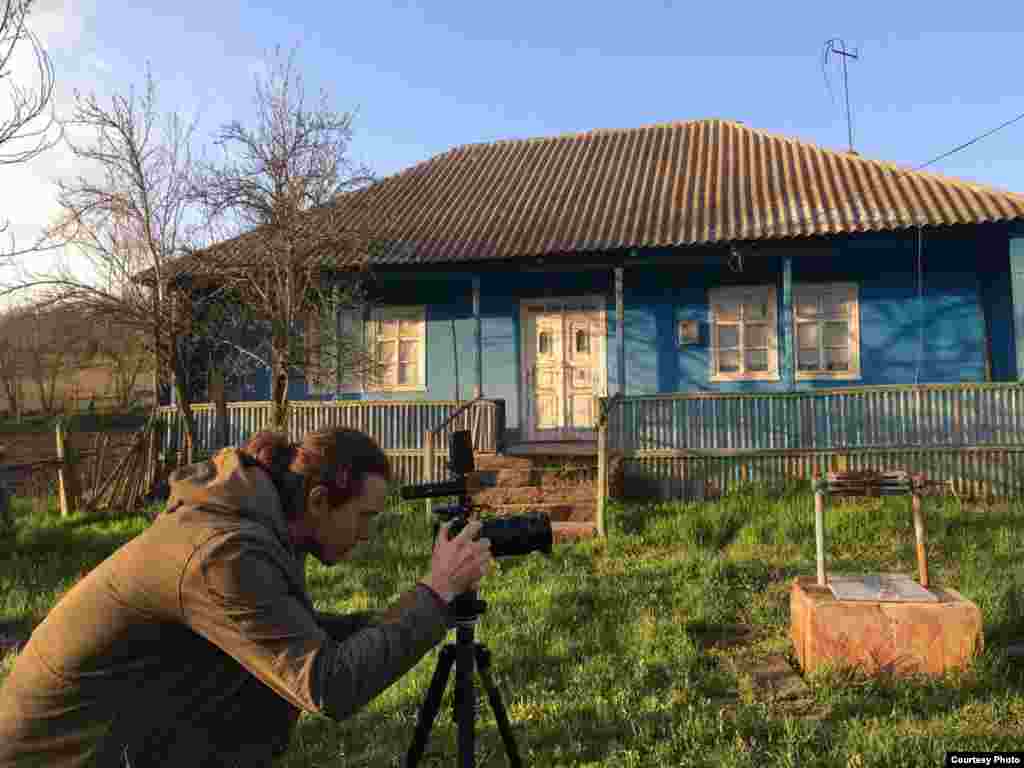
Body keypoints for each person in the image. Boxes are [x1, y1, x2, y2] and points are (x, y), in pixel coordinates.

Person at [0, 427, 493, 767]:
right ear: (319, 501)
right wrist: (435, 593)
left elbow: (294, 632)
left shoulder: (253, 521)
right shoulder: (224, 554)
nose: (366, 534)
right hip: (58, 754)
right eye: (364, 517)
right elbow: (329, 686)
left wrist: (417, 610)